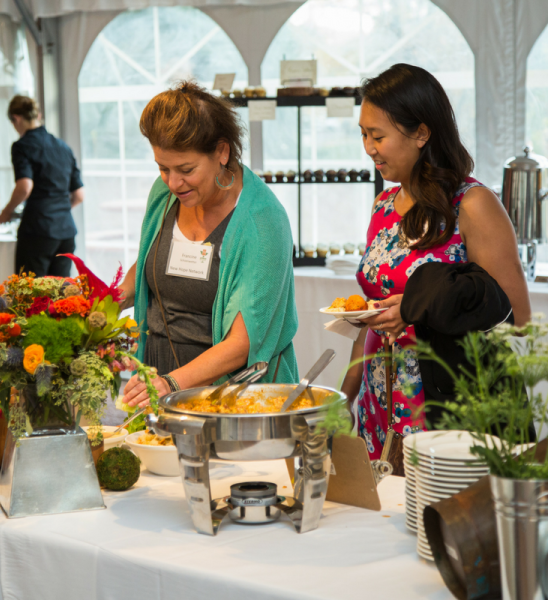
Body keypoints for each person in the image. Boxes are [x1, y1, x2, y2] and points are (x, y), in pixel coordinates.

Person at [341, 64, 531, 459]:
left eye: (378, 135)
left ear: (421, 133)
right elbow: (373, 316)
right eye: (363, 134)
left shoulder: (472, 204)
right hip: (380, 399)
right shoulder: (383, 206)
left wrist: (419, 309)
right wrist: (346, 392)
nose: (369, 148)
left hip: (443, 404)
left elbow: (515, 320)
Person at [120, 81, 299, 407]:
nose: (173, 183)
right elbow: (151, 261)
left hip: (227, 398)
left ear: (222, 152)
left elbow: (242, 343)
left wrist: (171, 384)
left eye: (186, 169)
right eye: (163, 168)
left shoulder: (263, 222)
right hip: (159, 381)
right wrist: (98, 307)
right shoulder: (165, 195)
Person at [0, 95, 84, 277]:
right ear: (38, 115)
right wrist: (58, 210)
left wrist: (6, 212)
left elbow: (25, 186)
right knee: (60, 295)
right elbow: (79, 195)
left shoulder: (22, 146)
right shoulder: (63, 147)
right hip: (66, 231)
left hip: (38, 231)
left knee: (30, 295)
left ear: (17, 118)